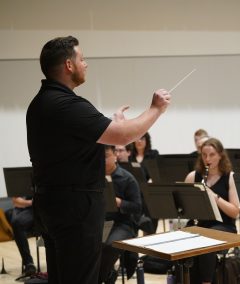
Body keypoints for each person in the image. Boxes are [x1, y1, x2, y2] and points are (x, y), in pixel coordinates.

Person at [26, 36, 170, 284]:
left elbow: (99, 137)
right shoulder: (66, 104)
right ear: (69, 65)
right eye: (82, 59)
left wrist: (114, 125)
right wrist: (156, 109)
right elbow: (125, 135)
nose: (86, 64)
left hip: (51, 203)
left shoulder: (40, 102)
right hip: (74, 208)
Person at [184, 137, 240, 284]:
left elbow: (235, 212)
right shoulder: (193, 176)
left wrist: (214, 197)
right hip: (199, 224)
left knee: (206, 242)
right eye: (204, 155)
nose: (207, 159)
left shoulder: (230, 177)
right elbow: (184, 208)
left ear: (220, 155)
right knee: (180, 241)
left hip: (224, 225)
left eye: (212, 155)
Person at [99, 145, 142, 284]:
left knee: (111, 245)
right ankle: (107, 274)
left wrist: (120, 203)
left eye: (105, 156)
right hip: (100, 222)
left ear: (115, 155)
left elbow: (137, 207)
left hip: (123, 224)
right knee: (84, 243)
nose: (102, 160)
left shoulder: (127, 179)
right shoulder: (94, 177)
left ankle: (101, 278)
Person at [6, 197, 37, 276]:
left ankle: (28, 263)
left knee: (16, 222)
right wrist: (30, 202)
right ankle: (29, 263)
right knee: (11, 215)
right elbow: (16, 201)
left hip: (38, 207)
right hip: (25, 207)